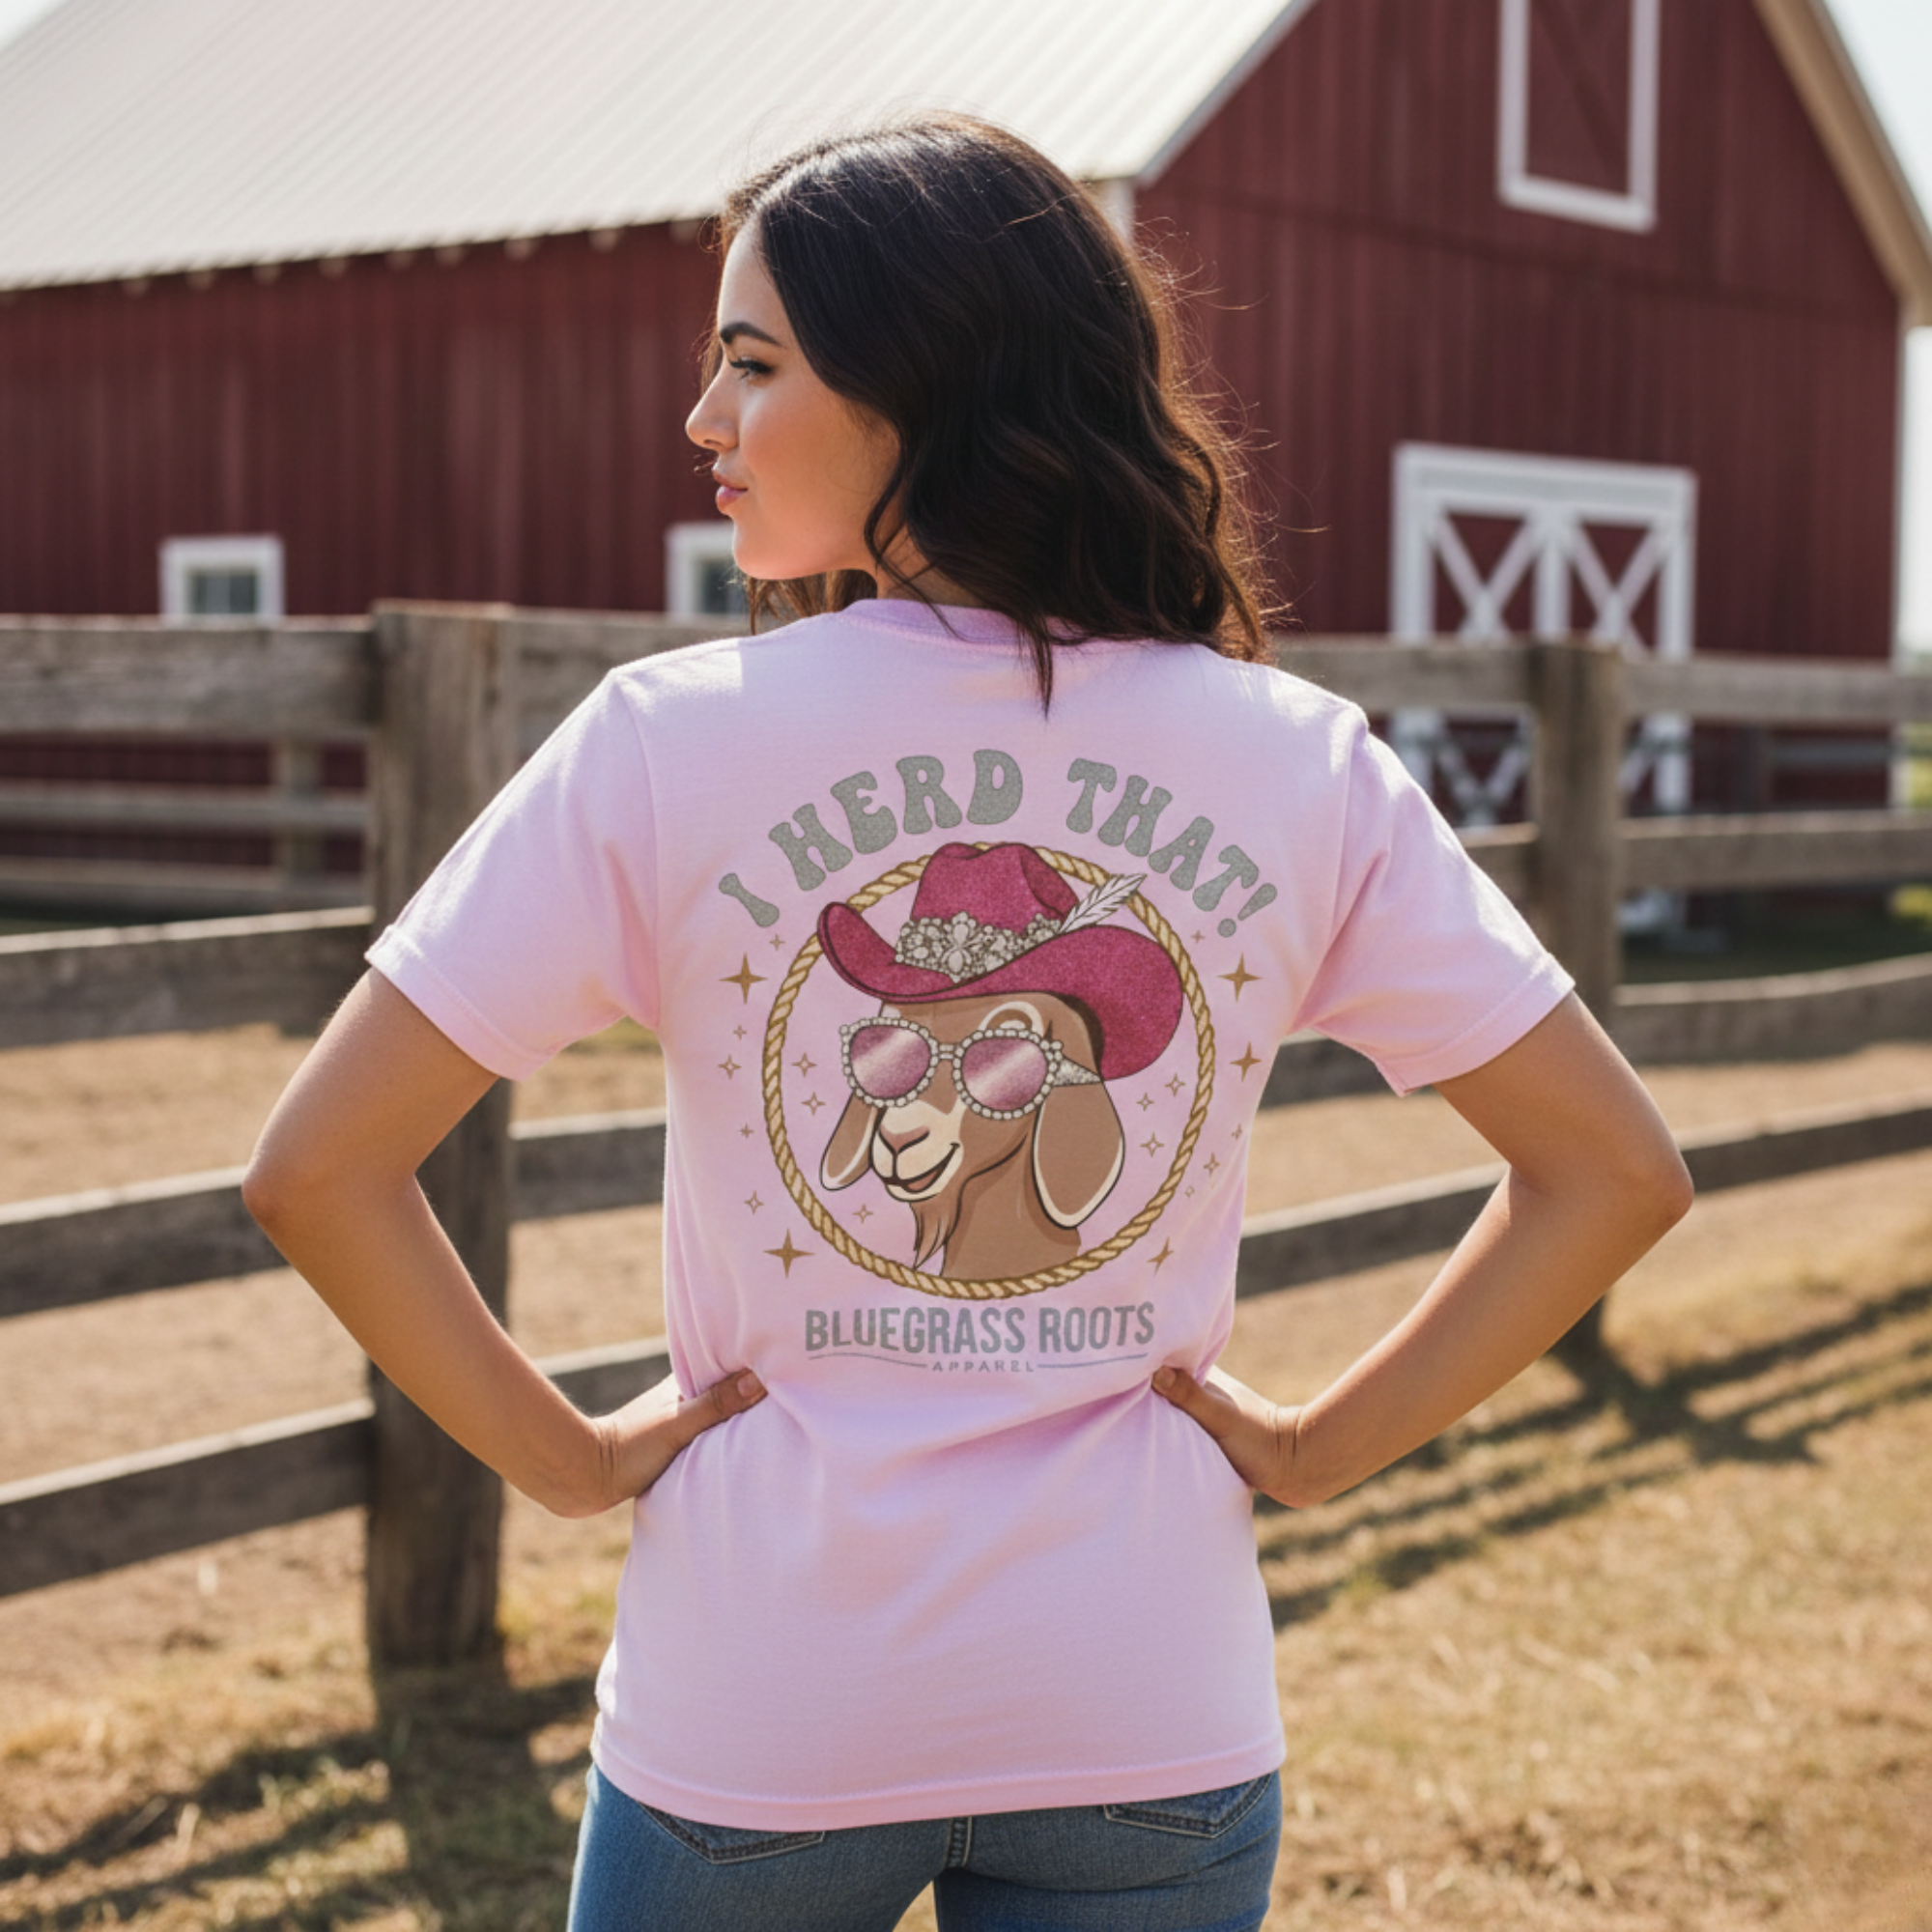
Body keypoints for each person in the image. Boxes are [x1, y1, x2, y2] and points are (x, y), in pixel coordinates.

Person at [244, 113, 1692, 1932]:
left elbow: (317, 1170)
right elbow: (1616, 1172)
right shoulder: (1296, 759)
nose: (701, 419)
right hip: (1148, 1716)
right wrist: (1319, 1451)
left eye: (749, 364)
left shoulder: (665, 742)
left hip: (761, 1710)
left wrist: (570, 1461)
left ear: (915, 383)